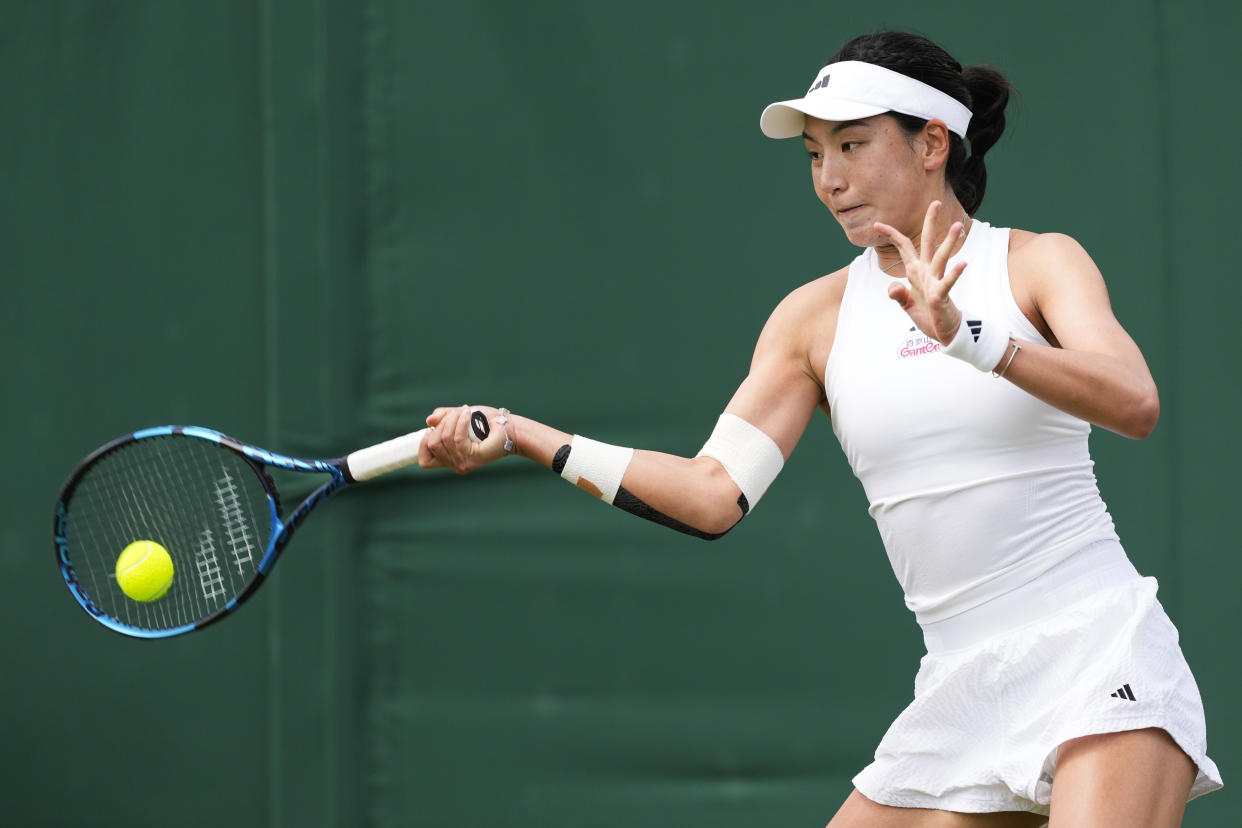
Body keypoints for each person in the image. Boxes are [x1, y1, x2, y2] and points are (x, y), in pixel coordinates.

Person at [419, 30, 1221, 827]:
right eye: (813, 154)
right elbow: (711, 495)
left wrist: (971, 338)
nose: (830, 178)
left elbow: (1133, 400)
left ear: (933, 143)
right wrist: (527, 435)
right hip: (962, 689)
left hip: (1095, 653)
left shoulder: (1038, 263)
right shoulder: (812, 320)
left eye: (853, 145)